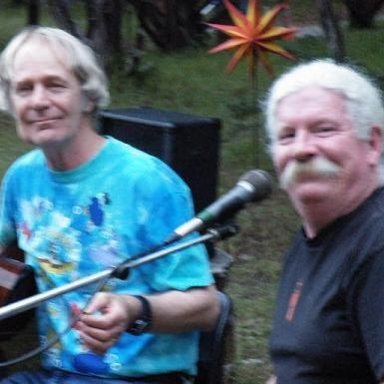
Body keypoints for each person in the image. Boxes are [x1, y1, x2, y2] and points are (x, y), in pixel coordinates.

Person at [0, 26, 219, 383]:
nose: (39, 100)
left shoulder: (147, 182)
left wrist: (133, 310)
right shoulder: (22, 179)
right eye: (25, 89)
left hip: (142, 377)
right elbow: (4, 259)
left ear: (87, 97)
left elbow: (206, 306)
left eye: (55, 85)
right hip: (55, 373)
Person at [264, 59, 384, 383]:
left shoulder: (377, 245)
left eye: (324, 129)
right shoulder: (315, 236)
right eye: (287, 136)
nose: (302, 149)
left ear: (373, 144)